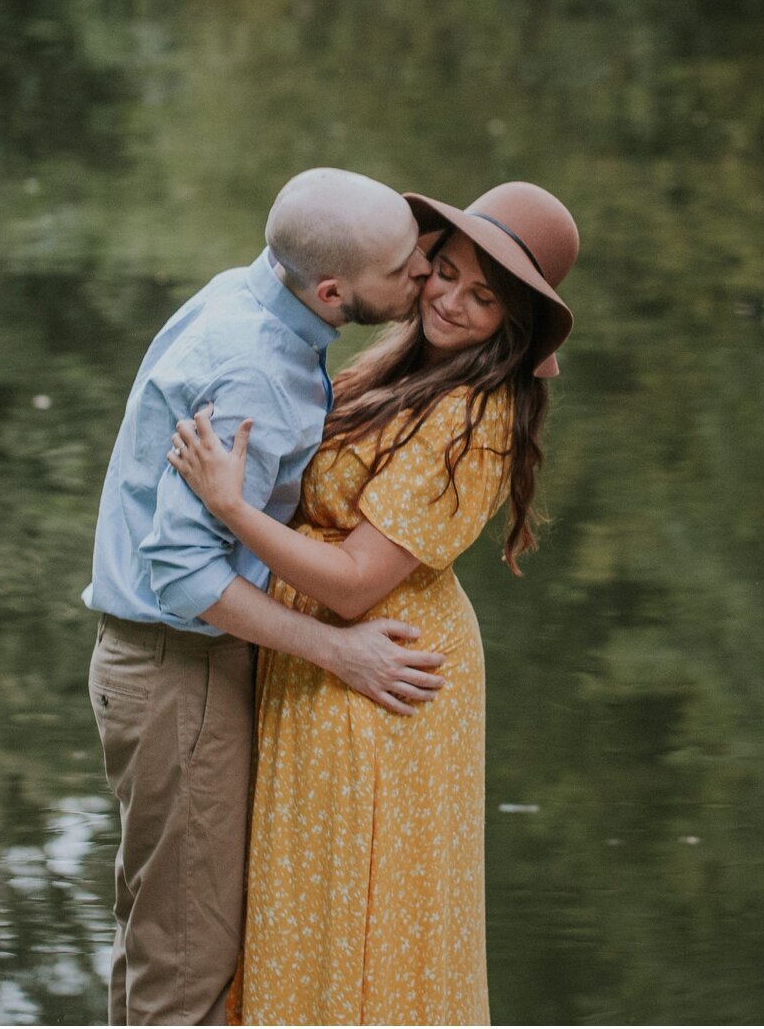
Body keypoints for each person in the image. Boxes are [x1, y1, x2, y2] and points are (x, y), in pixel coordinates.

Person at [166, 180, 580, 1025]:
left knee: (360, 912)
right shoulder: (400, 363)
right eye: (447, 272)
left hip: (377, 672)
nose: (452, 301)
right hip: (325, 659)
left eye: (484, 296)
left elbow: (357, 579)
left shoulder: (477, 413)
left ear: (515, 323)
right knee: (307, 901)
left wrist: (232, 509)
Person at [83, 168, 455, 1026]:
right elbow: (183, 572)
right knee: (189, 972)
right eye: (407, 267)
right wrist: (339, 650)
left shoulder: (248, 300)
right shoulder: (253, 371)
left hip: (164, 671)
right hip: (184, 676)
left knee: (159, 946)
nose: (425, 275)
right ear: (334, 290)